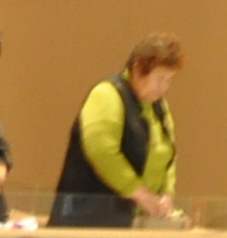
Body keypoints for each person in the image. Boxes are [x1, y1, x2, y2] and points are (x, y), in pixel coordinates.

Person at [56, 33, 180, 223]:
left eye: (169, 80)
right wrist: (140, 193)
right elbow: (102, 153)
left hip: (136, 218)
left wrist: (166, 194)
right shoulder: (107, 94)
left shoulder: (159, 106)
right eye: (160, 79)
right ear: (138, 69)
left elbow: (169, 154)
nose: (164, 87)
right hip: (90, 215)